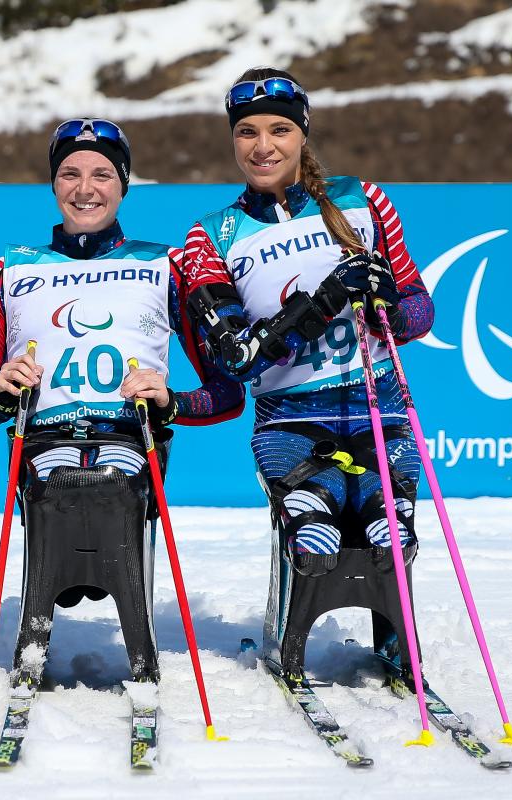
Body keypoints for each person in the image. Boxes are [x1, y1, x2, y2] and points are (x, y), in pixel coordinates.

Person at [0, 118, 243, 687]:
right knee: (61, 487)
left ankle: (139, 644)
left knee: (110, 484)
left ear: (124, 184)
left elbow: (227, 392)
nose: (86, 188)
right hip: (44, 442)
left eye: (102, 175)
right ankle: (34, 639)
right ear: (53, 184)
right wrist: (0, 390)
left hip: (130, 438)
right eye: (70, 174)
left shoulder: (166, 265)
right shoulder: (10, 269)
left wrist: (171, 401)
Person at [182, 68, 435, 577]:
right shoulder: (210, 235)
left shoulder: (363, 199)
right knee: (313, 537)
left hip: (380, 413)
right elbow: (235, 360)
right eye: (246, 132)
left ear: (302, 133)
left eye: (280, 130)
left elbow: (420, 311)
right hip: (290, 423)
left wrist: (388, 302)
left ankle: (396, 646)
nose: (262, 147)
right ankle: (293, 643)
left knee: (392, 535)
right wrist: (325, 300)